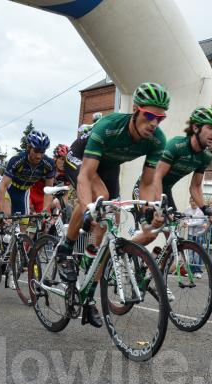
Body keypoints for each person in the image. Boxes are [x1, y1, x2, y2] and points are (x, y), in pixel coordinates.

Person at [57, 82, 169, 327]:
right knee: (99, 198)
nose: (154, 123)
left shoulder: (157, 140)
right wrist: (88, 207)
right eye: (149, 116)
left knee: (111, 224)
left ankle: (88, 294)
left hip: (109, 167)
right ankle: (65, 249)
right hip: (82, 158)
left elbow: (147, 183)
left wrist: (149, 212)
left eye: (160, 118)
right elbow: (85, 176)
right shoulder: (109, 126)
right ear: (136, 110)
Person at [132, 106, 212, 248]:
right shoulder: (177, 146)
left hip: (165, 191)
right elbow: (157, 176)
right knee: (150, 234)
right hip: (147, 188)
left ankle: (157, 262)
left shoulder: (205, 156)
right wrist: (160, 205)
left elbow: (195, 187)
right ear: (196, 128)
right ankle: (120, 252)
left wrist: (206, 209)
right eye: (210, 127)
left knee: (174, 238)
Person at [0, 130, 55, 261]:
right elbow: (2, 186)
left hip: (24, 192)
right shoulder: (17, 160)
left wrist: (45, 210)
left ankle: (12, 263)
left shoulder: (48, 164)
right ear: (29, 148)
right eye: (36, 151)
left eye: (42, 152)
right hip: (9, 189)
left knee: (22, 230)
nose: (39, 155)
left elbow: (48, 190)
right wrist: (0, 211)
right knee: (5, 218)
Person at [183, 196, 208, 277]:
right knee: (190, 253)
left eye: (194, 201)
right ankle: (191, 271)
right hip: (190, 233)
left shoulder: (200, 210)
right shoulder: (187, 209)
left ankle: (198, 271)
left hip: (198, 233)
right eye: (191, 201)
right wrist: (186, 222)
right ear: (189, 202)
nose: (193, 203)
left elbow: (199, 222)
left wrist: (188, 223)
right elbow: (185, 218)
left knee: (197, 253)